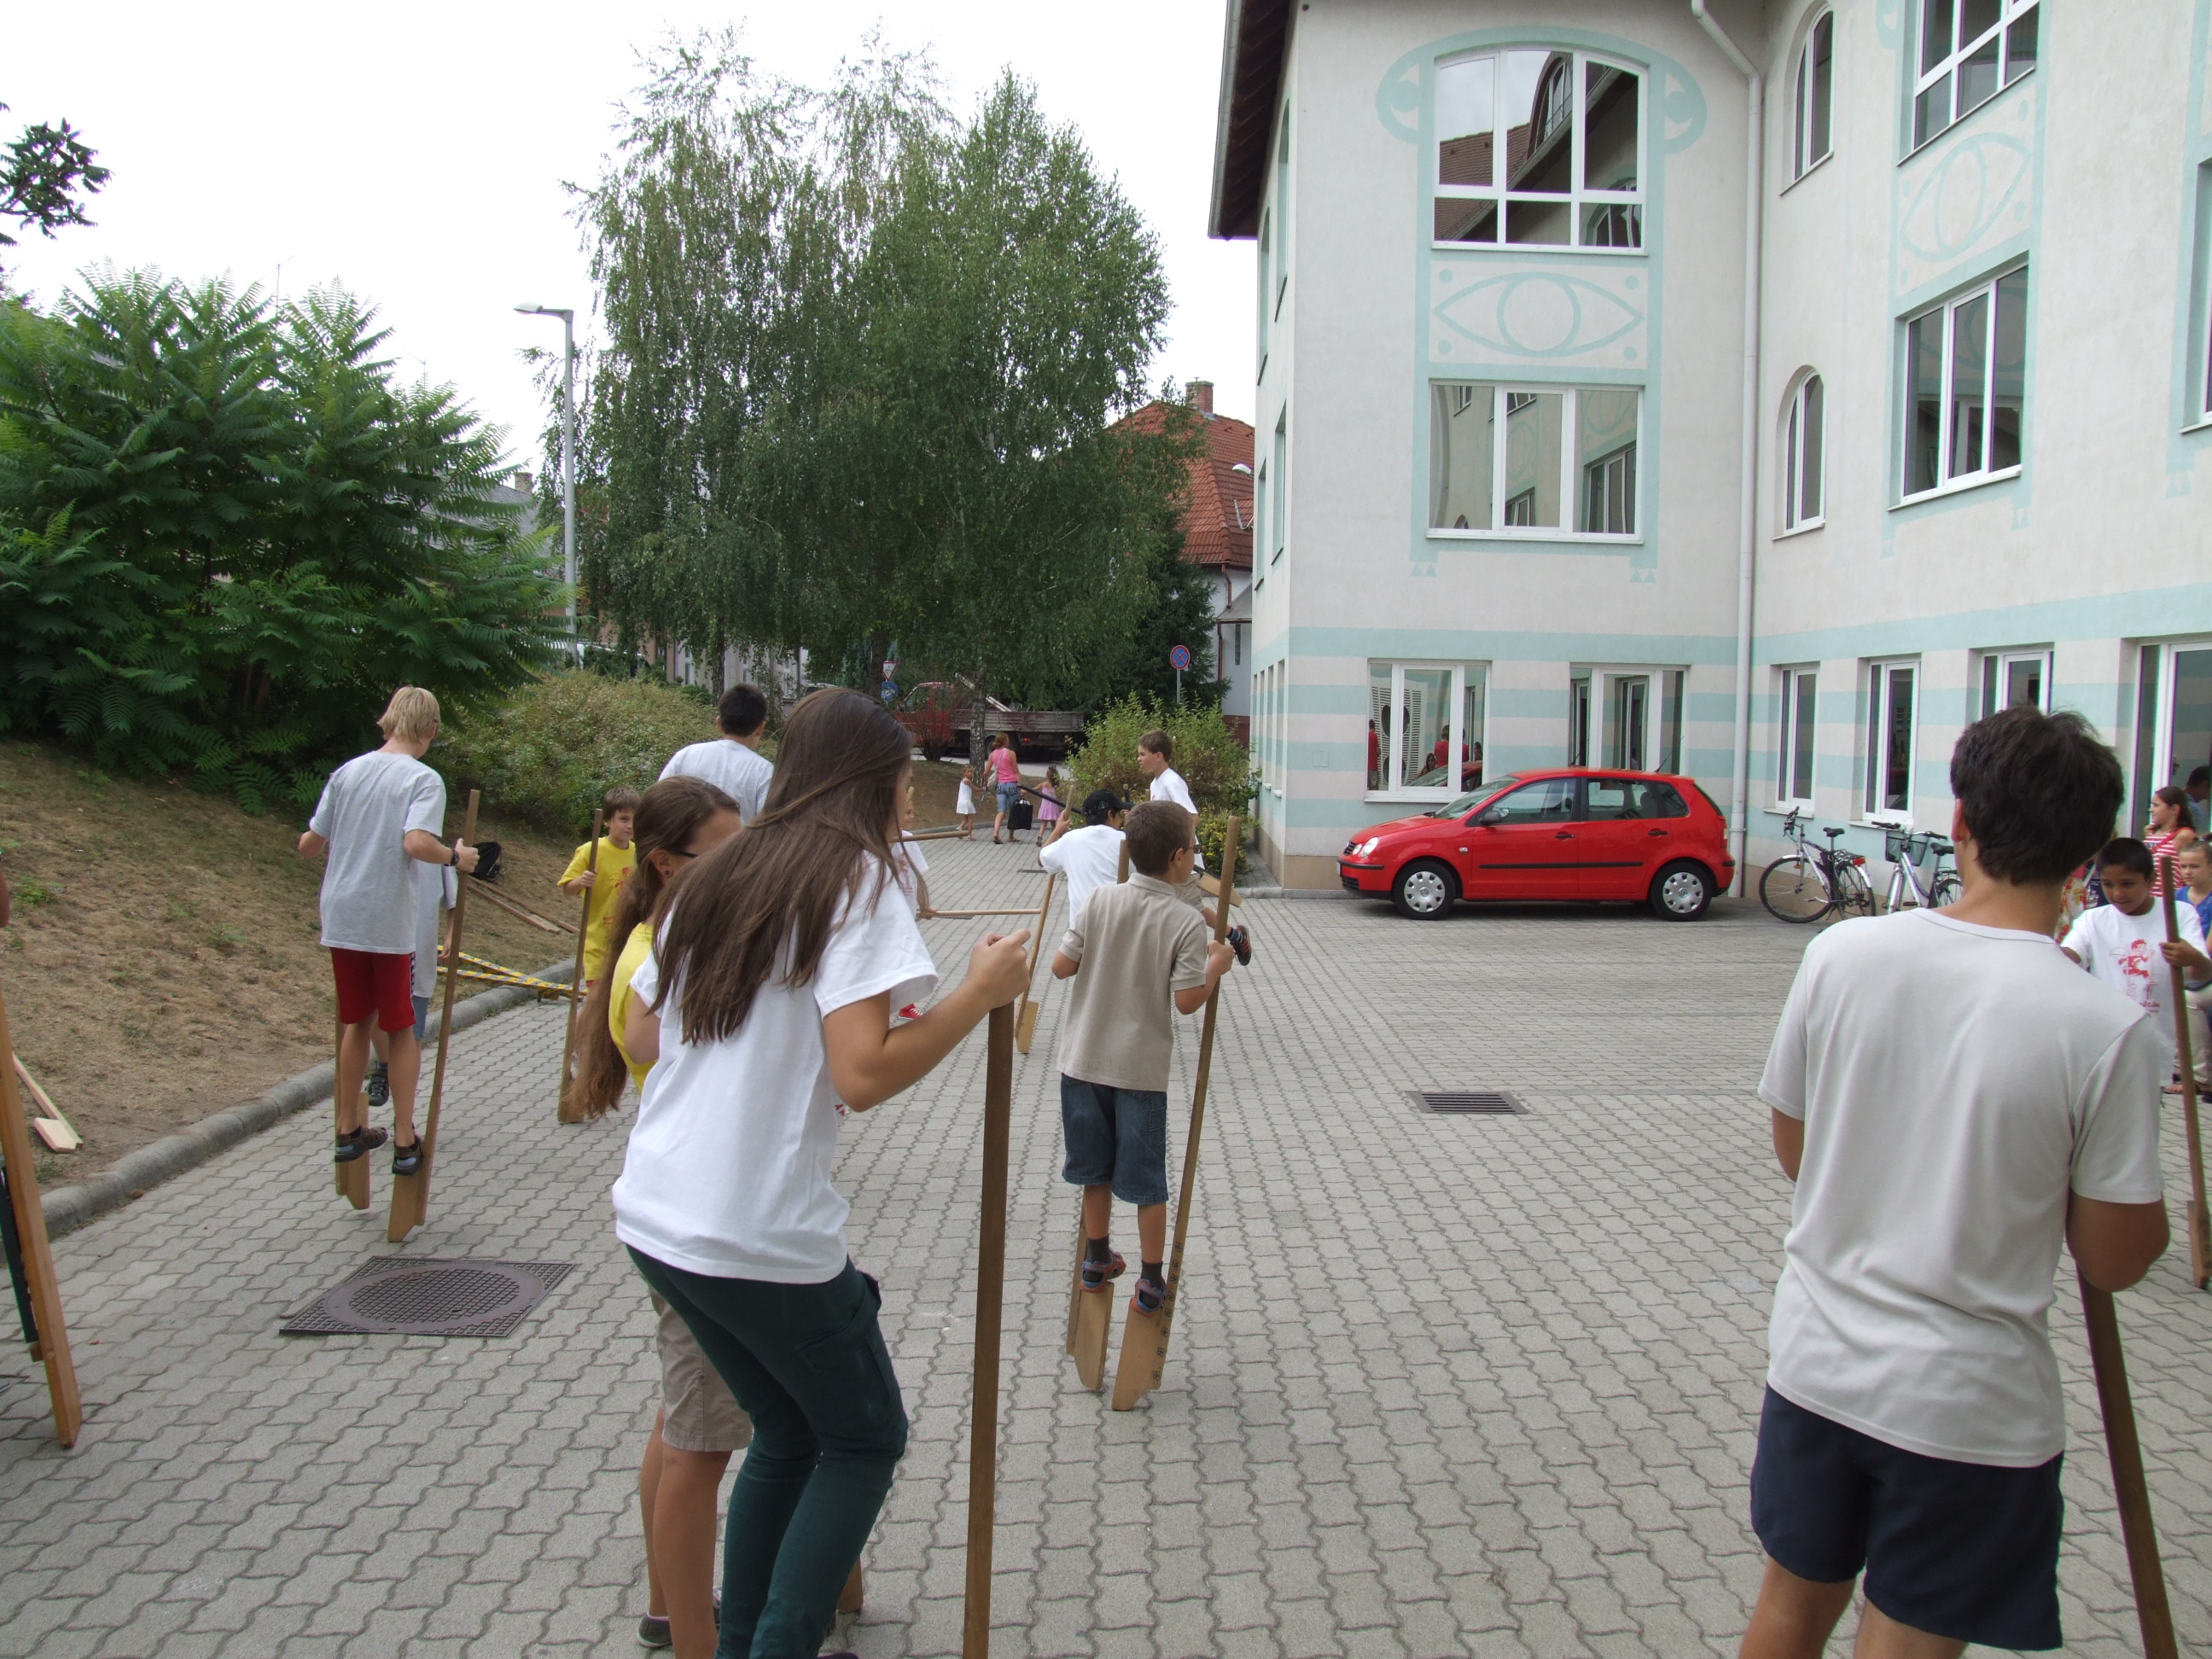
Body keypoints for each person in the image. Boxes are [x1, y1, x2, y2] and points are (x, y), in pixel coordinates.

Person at [1740, 707, 2170, 1659]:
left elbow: (1798, 1151)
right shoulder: (2105, 1030)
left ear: (1962, 820)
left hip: (1818, 1364)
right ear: (2087, 856)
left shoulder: (1843, 955)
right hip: (1966, 1407)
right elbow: (2114, 1259)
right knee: (1908, 1640)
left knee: (1789, 1606)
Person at [613, 688, 1031, 1658]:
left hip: (657, 1215)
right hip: (753, 1228)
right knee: (864, 1437)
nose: (912, 803)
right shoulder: (856, 879)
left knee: (789, 1432)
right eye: (902, 784)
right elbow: (863, 1072)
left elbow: (646, 1027)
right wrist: (977, 993)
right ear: (863, 783)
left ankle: (743, 1641)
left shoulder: (721, 869)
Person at [562, 777, 744, 1657]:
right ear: (670, 864)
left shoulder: (660, 935)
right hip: (693, 1215)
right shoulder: (658, 950)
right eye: (727, 852)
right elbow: (644, 1039)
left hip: (679, 1206)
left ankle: (668, 1600)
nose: (744, 866)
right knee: (697, 1438)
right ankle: (682, 1620)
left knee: (681, 1421)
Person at [1049, 800, 1237, 1316]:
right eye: (1193, 849)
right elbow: (1187, 1001)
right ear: (1178, 857)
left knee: (1094, 1172)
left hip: (1081, 1063)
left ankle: (1095, 1259)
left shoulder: (1100, 900)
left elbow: (1061, 967)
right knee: (1147, 1180)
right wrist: (1217, 964)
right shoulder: (1183, 921)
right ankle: (1151, 1281)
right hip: (1139, 1072)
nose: (1194, 857)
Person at [297, 686, 479, 1175]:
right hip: (387, 915)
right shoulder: (422, 779)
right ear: (431, 730)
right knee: (400, 1028)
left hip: (342, 913)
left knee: (357, 1021)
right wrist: (456, 857)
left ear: (388, 720)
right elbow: (416, 843)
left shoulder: (347, 772)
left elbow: (310, 844)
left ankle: (346, 1129)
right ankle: (403, 1138)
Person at [2063, 837, 2210, 1089]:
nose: (2117, 893)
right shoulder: (2093, 920)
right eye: (2108, 884)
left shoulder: (2178, 914)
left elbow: (2203, 972)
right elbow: (2069, 956)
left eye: (2128, 884)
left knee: (2148, 1107)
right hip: (2104, 1041)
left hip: (2154, 1041)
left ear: (2150, 880)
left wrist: (2192, 958)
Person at [558, 786, 641, 991]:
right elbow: (567, 889)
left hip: (628, 941)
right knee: (597, 999)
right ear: (607, 821)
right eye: (623, 819)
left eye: (635, 819)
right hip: (598, 944)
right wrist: (581, 881)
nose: (630, 826)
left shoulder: (638, 853)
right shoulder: (592, 850)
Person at [661, 684, 774, 823]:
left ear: (719, 723)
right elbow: (768, 824)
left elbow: (657, 805)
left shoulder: (685, 756)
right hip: (738, 837)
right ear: (761, 728)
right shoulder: (764, 771)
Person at [1038, 790, 1132, 923]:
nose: (1121, 820)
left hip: (1080, 928)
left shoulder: (1070, 839)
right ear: (1110, 815)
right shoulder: (1126, 841)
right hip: (1116, 924)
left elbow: (1041, 860)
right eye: (1119, 815)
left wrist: (1057, 830)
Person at [2175, 839, 2212, 1092]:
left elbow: (2207, 950)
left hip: (2205, 972)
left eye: (2195, 866)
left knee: (2188, 1000)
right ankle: (2174, 1065)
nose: (2187, 872)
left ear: (2210, 867)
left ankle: (2199, 1075)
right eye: (2183, 866)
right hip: (2183, 970)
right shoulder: (2176, 897)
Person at [2145, 784, 2198, 893]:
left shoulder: (2184, 835)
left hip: (2168, 898)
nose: (2151, 810)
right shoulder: (2150, 832)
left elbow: (2195, 869)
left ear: (2174, 809)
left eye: (2156, 805)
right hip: (2147, 898)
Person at [989, 732, 1022, 845]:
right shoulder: (1011, 753)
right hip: (1012, 784)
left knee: (1001, 810)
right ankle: (1011, 836)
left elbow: (986, 771)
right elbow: (1016, 771)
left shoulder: (992, 754)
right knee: (1013, 811)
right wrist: (1020, 784)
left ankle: (996, 832)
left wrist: (986, 782)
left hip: (1000, 785)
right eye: (1007, 739)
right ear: (1005, 741)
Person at [1036, 766, 1062, 838]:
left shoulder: (1043, 785)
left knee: (1044, 822)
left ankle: (1040, 835)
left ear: (1047, 776)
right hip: (1053, 807)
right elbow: (1059, 796)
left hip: (1045, 806)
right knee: (1053, 823)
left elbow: (1034, 789)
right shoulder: (1055, 787)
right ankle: (1052, 837)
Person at [955, 760, 978, 838]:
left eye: (971, 772)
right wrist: (982, 789)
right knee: (971, 818)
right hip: (966, 801)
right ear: (964, 773)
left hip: (961, 801)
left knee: (966, 818)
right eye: (968, 772)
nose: (970, 773)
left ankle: (960, 828)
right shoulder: (967, 781)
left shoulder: (963, 780)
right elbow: (975, 788)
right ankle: (969, 834)